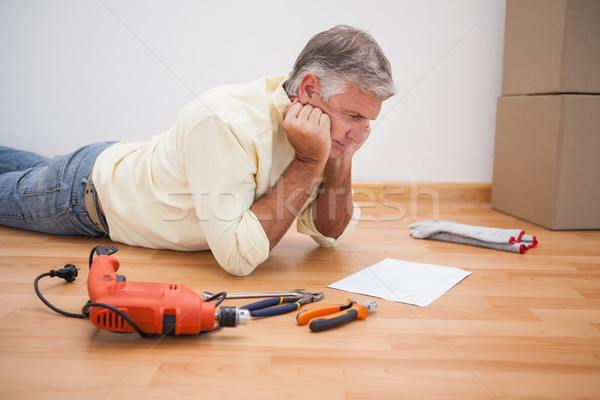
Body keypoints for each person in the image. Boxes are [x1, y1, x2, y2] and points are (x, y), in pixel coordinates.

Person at [0, 25, 396, 276]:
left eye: (368, 122)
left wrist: (340, 154)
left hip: (118, 162)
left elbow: (329, 233)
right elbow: (239, 259)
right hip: (85, 197)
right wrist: (310, 161)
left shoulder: (323, 130)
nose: (361, 132)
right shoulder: (225, 121)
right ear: (310, 90)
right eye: (354, 115)